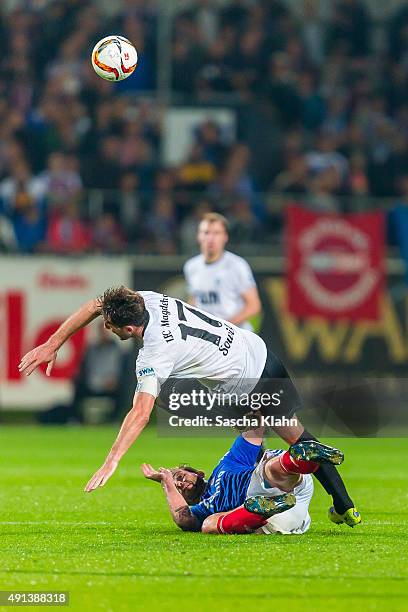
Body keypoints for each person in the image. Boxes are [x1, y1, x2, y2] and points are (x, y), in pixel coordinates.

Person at [18, 285, 361, 527]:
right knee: (287, 435)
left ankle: (316, 498)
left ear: (129, 328)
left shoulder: (154, 352)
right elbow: (94, 306)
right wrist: (52, 343)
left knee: (282, 439)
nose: (105, 327)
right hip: (255, 349)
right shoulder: (147, 299)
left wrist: (112, 461)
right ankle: (343, 504)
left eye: (110, 326)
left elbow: (140, 413)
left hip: (248, 379)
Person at [141, 430, 345, 535]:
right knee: (208, 525)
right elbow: (182, 519)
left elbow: (254, 430)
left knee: (266, 471)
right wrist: (166, 480)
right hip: (285, 516)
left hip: (284, 485)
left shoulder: (226, 463)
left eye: (180, 476)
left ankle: (302, 459)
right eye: (177, 488)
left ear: (198, 473)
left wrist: (247, 406)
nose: (180, 484)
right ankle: (262, 508)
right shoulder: (201, 510)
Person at [183, 212, 261, 329]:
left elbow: (254, 305)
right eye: (206, 233)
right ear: (199, 236)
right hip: (208, 336)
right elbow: (195, 298)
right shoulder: (191, 266)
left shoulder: (237, 265)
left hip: (236, 334)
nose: (211, 238)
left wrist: (224, 327)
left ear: (225, 237)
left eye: (216, 233)